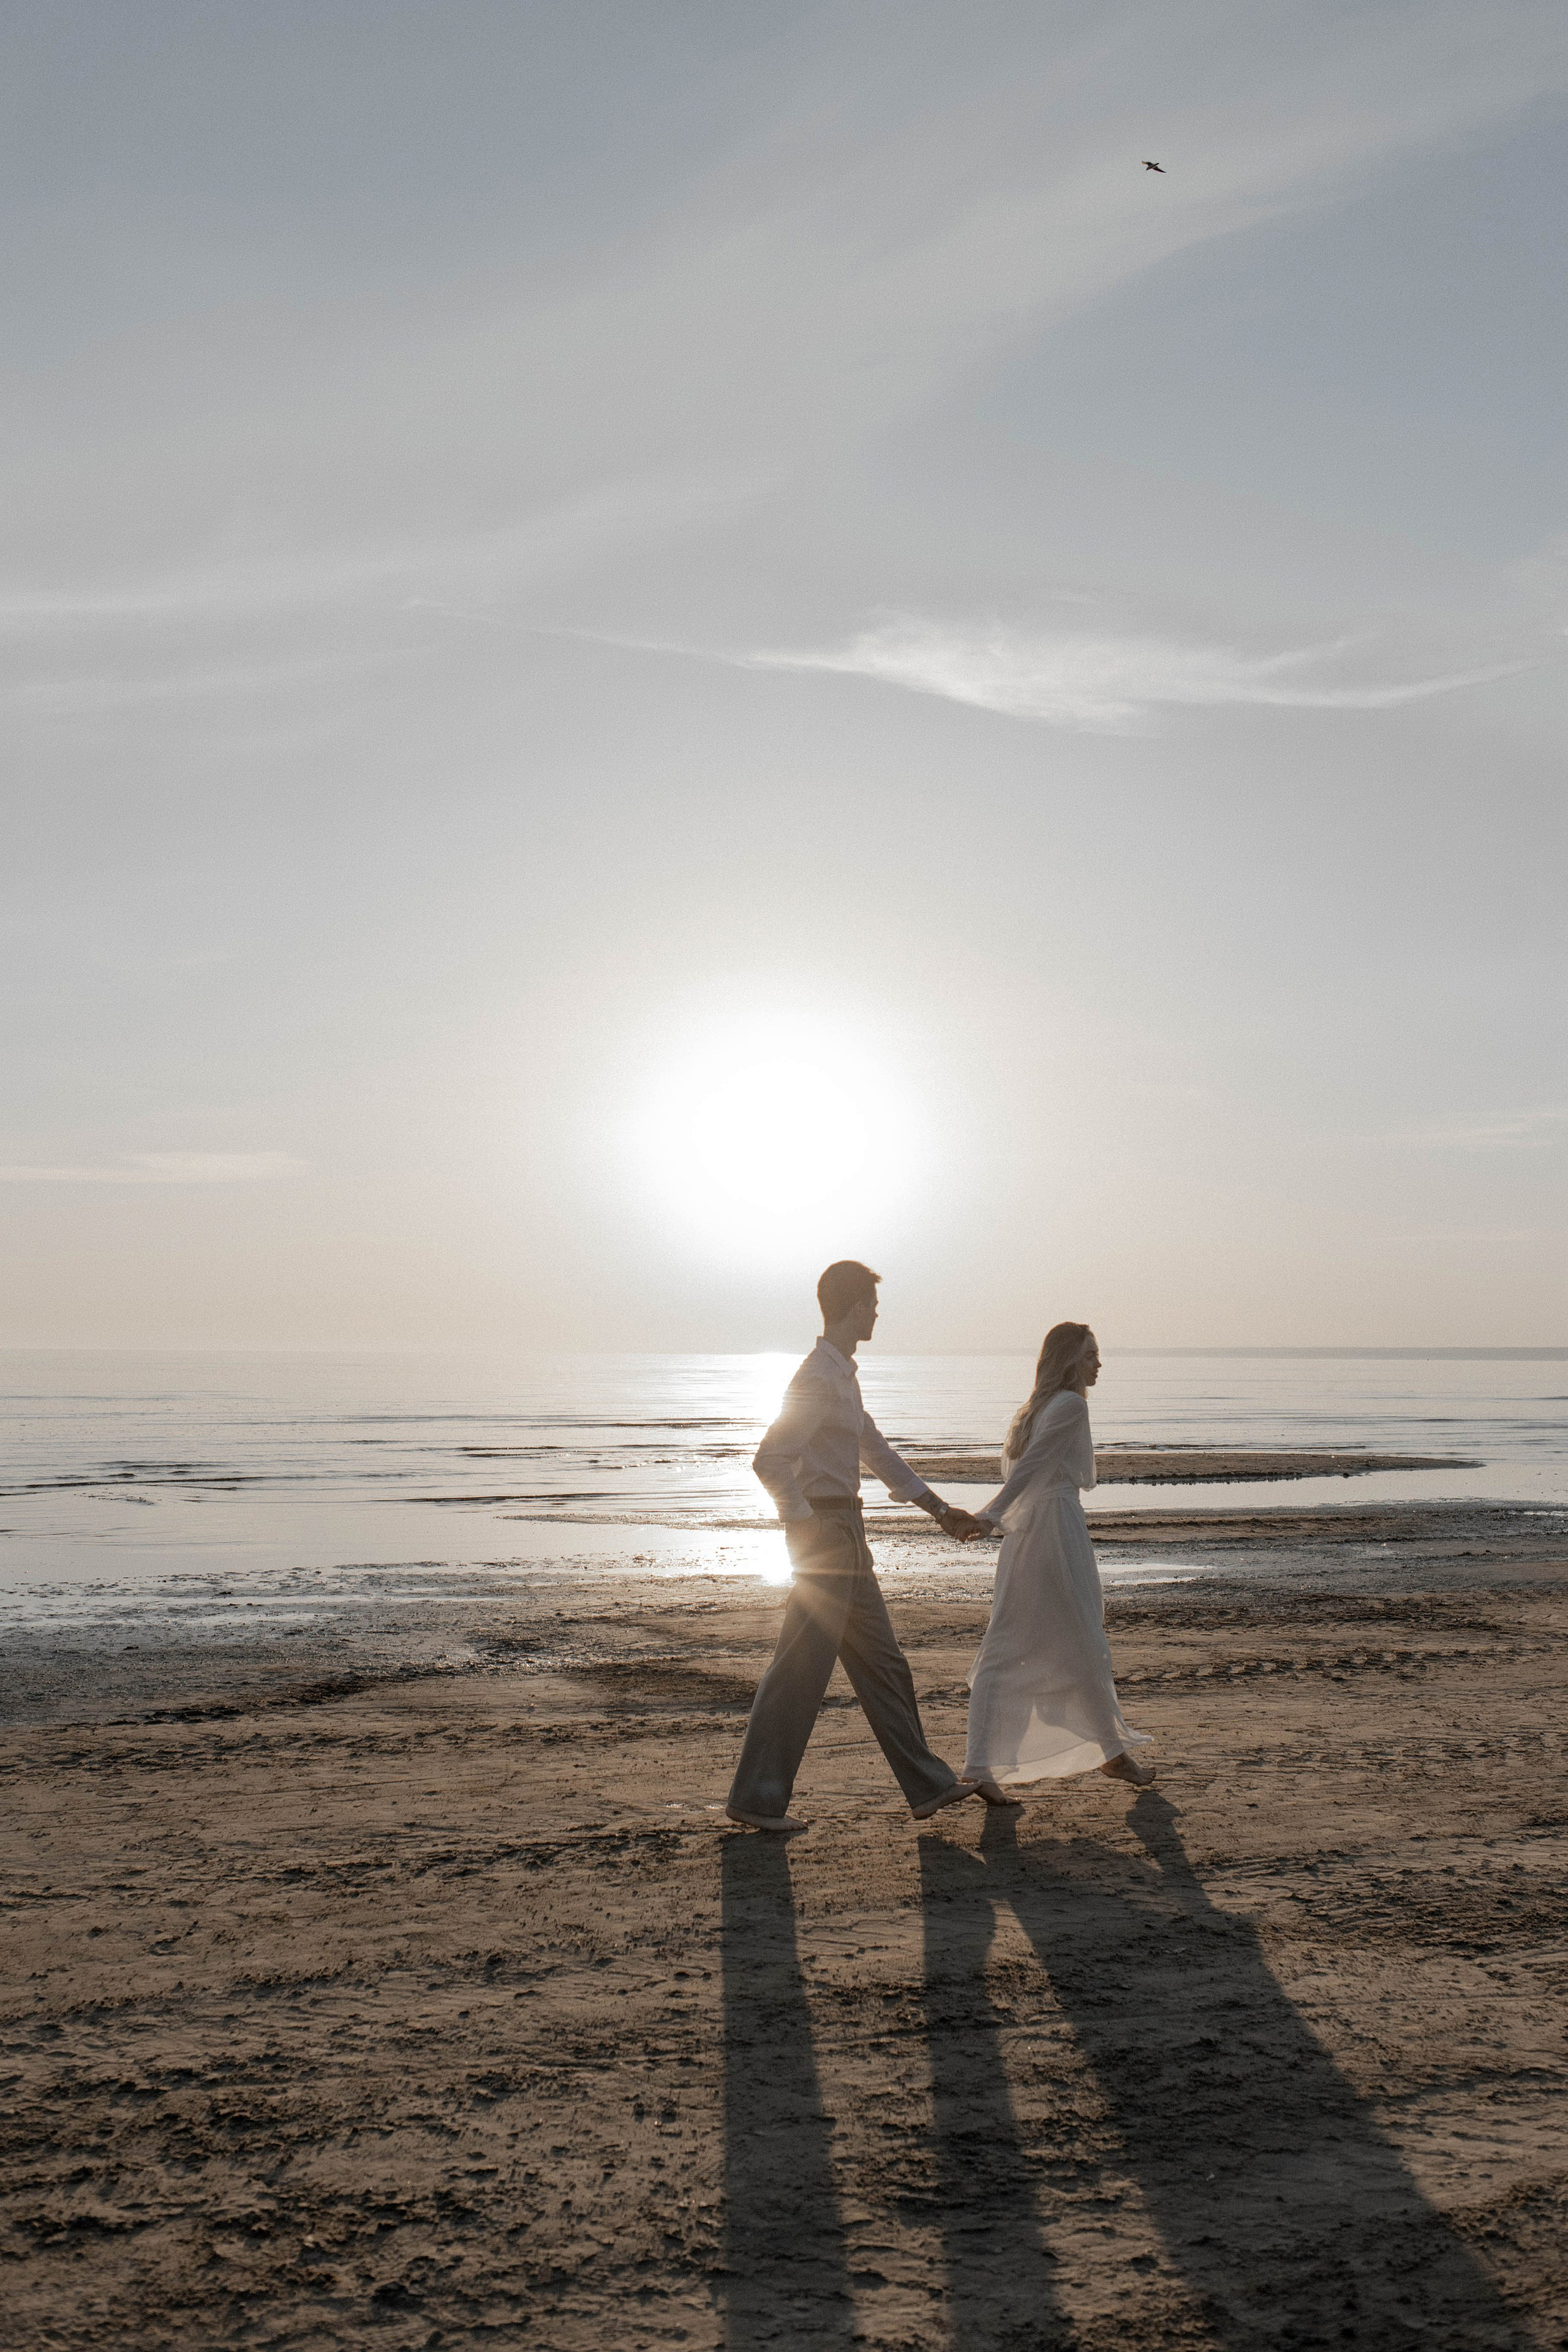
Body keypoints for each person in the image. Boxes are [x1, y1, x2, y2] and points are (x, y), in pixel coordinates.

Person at [727, 1261, 1011, 1833]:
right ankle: (756, 1801)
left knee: (883, 1665)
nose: (878, 1313)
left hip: (847, 1534)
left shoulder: (841, 1377)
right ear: (853, 1306)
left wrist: (940, 1511)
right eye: (873, 1304)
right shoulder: (815, 1377)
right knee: (799, 1673)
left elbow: (875, 1451)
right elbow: (770, 1460)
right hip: (826, 1536)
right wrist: (803, 1525)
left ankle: (927, 1787)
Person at [961, 1323, 1156, 1794]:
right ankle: (1107, 1755)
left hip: (1028, 1537)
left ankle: (987, 1767)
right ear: (1069, 1360)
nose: (1098, 1363)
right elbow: (1034, 1466)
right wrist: (989, 1517)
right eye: (1090, 1355)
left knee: (1016, 1643)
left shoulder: (1032, 1410)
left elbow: (1028, 1467)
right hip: (1054, 1533)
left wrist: (996, 1518)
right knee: (1077, 1640)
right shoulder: (1069, 1405)